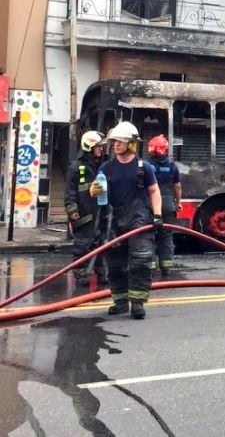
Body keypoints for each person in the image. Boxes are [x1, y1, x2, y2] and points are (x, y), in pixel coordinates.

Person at [90, 121, 163, 319]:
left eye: (120, 141)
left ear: (131, 143)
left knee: (140, 260)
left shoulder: (144, 168)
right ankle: (120, 301)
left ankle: (137, 303)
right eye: (114, 141)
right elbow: (96, 189)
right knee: (115, 263)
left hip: (138, 219)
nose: (116, 145)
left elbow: (154, 191)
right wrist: (93, 190)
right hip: (113, 220)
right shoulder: (107, 167)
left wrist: (157, 215)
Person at [64, 131, 107, 285]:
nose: (101, 149)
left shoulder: (102, 166)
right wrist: (72, 211)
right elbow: (70, 192)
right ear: (89, 147)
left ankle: (102, 274)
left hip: (100, 212)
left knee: (102, 244)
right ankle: (81, 275)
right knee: (82, 246)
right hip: (84, 213)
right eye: (98, 146)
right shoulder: (76, 167)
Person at [146, 135, 182, 277]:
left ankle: (151, 265)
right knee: (166, 235)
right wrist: (178, 203)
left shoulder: (147, 165)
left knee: (149, 234)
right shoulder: (172, 165)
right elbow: (177, 186)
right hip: (168, 204)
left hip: (151, 204)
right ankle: (166, 267)